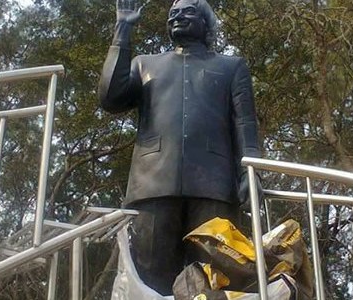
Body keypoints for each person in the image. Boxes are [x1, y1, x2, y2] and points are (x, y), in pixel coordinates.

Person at [98, 0, 261, 295]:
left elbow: (245, 125)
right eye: (173, 14)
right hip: (152, 186)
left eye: (188, 12)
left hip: (215, 187)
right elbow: (110, 97)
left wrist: (252, 173)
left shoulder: (231, 66)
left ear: (206, 23)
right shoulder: (145, 64)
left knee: (217, 280)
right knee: (150, 283)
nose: (178, 18)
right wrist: (123, 27)